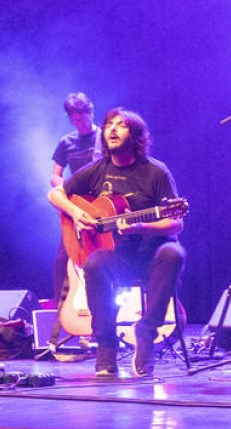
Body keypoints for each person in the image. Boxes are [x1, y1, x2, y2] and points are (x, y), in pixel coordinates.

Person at [47, 108, 184, 377]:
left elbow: (176, 223)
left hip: (152, 255)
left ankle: (146, 331)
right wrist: (77, 213)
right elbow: (56, 194)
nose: (111, 129)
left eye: (120, 125)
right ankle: (106, 345)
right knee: (95, 262)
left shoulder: (156, 172)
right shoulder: (97, 170)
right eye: (109, 124)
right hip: (117, 256)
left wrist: (141, 227)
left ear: (134, 136)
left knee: (175, 253)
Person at [39, 93, 103, 355]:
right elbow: (55, 174)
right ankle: (65, 322)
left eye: (83, 116)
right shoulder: (66, 142)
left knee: (98, 264)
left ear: (91, 111)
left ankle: (100, 326)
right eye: (74, 118)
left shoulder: (102, 138)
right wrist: (63, 187)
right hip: (74, 208)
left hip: (99, 209)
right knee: (62, 262)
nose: (80, 122)